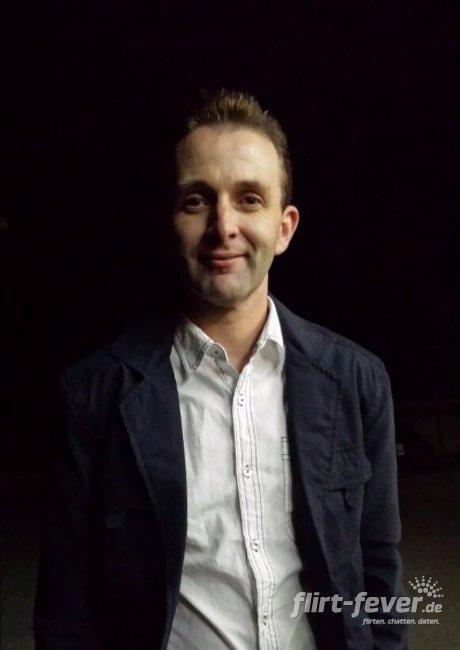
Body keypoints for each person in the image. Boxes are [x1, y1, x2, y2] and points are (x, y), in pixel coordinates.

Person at [34, 89, 408, 649]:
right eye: (196, 201)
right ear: (170, 221)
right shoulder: (94, 395)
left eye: (249, 199)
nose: (223, 225)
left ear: (284, 227)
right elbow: (65, 611)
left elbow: (378, 569)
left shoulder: (357, 381)